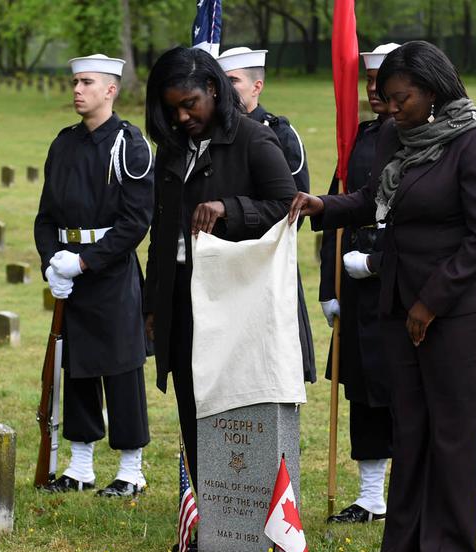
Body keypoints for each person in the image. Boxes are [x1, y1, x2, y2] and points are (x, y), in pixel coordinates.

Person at [290, 40, 476, 552]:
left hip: (458, 308)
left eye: (399, 98)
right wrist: (321, 205)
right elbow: (375, 197)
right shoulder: (395, 135)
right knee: (409, 429)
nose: (388, 109)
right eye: (384, 98)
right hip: (400, 301)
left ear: (431, 92)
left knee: (452, 436)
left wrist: (431, 302)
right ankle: (403, 550)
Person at [142, 46, 296, 481]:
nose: (182, 118)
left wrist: (230, 208)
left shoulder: (253, 139)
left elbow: (288, 206)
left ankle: (243, 507)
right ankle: (207, 510)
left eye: (190, 104)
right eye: (172, 110)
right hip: (180, 293)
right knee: (190, 401)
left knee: (231, 403)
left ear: (213, 88)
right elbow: (160, 231)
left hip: (233, 298)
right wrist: (153, 303)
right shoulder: (172, 151)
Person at [33, 53, 154, 497]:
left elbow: (136, 220)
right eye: (75, 82)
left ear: (111, 90)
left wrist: (85, 262)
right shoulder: (63, 143)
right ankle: (80, 466)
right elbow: (45, 216)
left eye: (87, 82)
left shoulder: (129, 144)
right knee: (78, 366)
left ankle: (130, 470)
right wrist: (52, 262)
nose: (77, 90)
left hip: (110, 270)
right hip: (68, 268)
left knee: (122, 369)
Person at [319, 42, 400, 524]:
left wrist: (375, 262)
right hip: (354, 281)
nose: (373, 91)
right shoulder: (360, 138)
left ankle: (410, 487)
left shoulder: (423, 137)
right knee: (363, 389)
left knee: (401, 388)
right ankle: (371, 495)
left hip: (399, 276)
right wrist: (330, 288)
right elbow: (338, 211)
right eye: (368, 82)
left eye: (383, 83)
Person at [215, 46, 317, 384]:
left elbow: (294, 208)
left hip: (267, 263)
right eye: (222, 81)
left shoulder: (281, 135)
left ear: (257, 86)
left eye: (234, 81)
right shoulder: (208, 135)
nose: (227, 90)